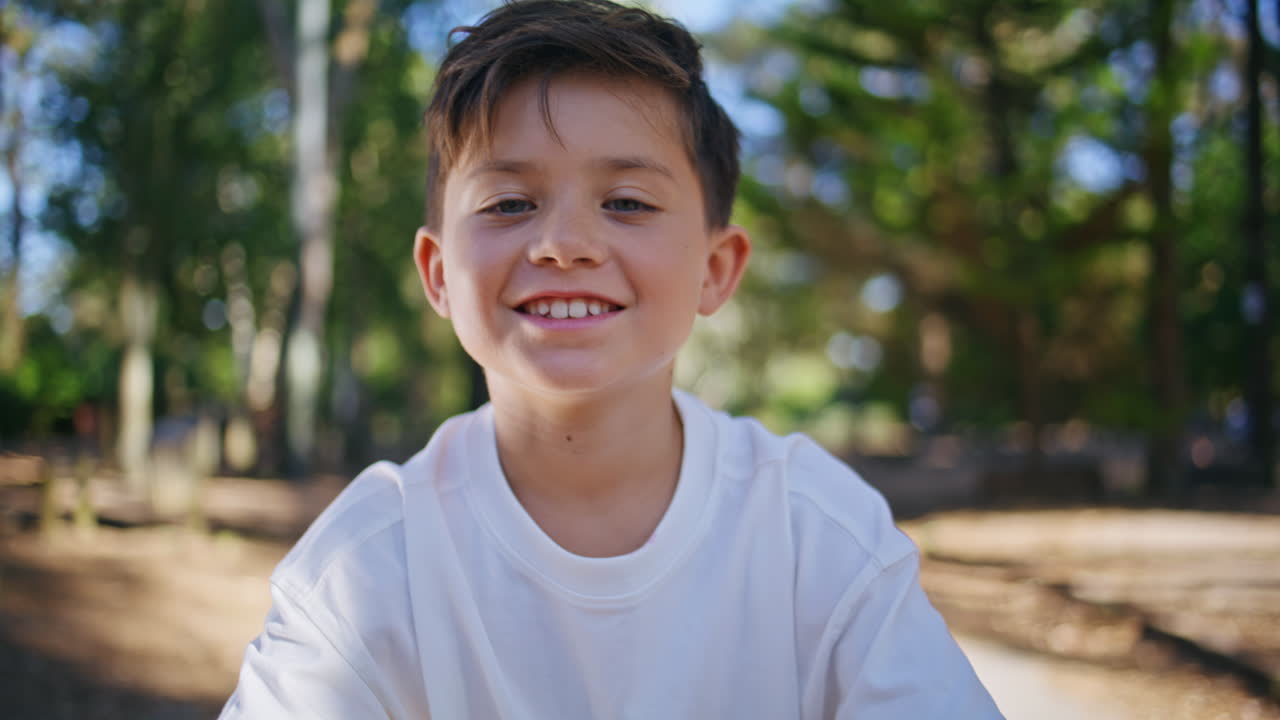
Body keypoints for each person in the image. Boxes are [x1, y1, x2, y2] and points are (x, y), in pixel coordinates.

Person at [219, 1, 1003, 717]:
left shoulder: (815, 535)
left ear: (715, 268)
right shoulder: (367, 567)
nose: (564, 245)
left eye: (627, 202)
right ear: (437, 275)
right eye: (508, 204)